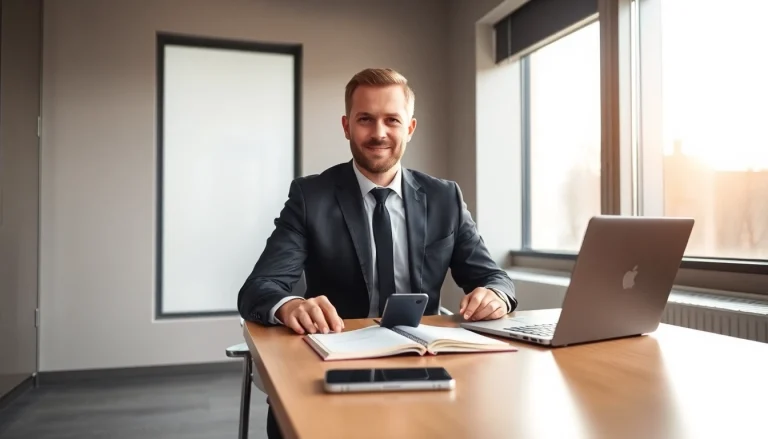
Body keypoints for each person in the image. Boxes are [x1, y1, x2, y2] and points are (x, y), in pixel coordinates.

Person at [237, 67, 517, 439]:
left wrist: (494, 295)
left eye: (392, 120)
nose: (379, 133)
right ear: (347, 126)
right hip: (334, 362)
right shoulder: (311, 197)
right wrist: (289, 305)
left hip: (424, 364)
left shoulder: (444, 197)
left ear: (410, 128)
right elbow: (259, 287)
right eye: (365, 119)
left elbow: (494, 277)